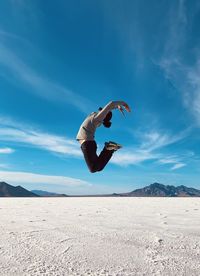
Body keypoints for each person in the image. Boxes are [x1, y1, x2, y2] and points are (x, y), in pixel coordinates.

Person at [76, 100, 131, 173]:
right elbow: (109, 108)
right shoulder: (94, 115)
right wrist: (117, 106)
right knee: (98, 167)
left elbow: (110, 104)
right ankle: (109, 149)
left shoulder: (96, 117)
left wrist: (124, 103)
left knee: (93, 168)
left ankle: (108, 148)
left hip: (87, 143)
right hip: (88, 143)